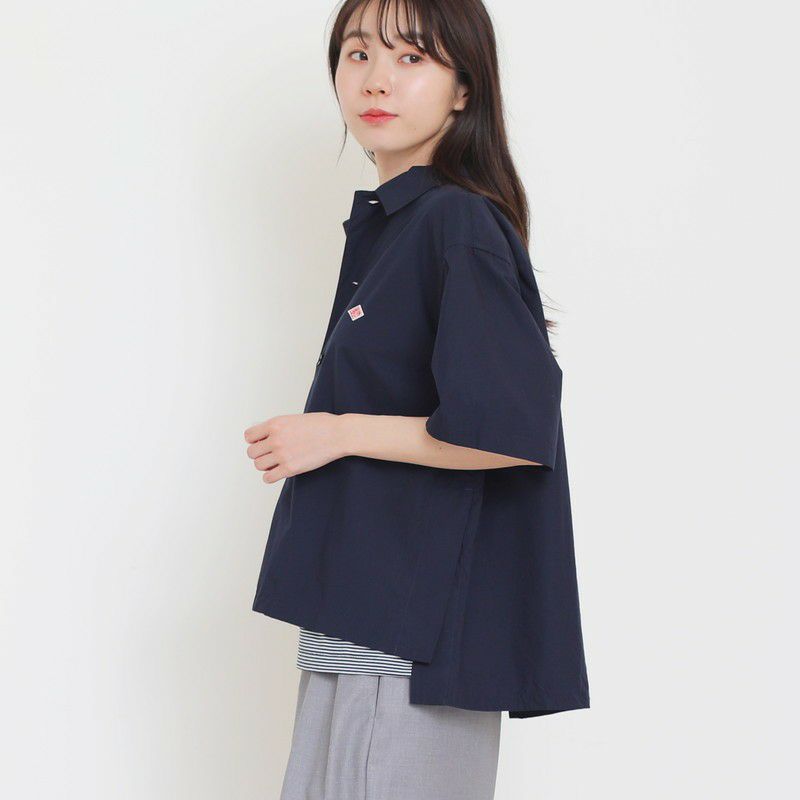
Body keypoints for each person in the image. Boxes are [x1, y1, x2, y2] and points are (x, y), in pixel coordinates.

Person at [243, 1, 590, 797]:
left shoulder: (455, 222)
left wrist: (335, 432)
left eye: (411, 58)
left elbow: (508, 429)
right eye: (358, 54)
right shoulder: (396, 227)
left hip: (408, 640)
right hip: (361, 620)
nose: (376, 80)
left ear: (464, 88)